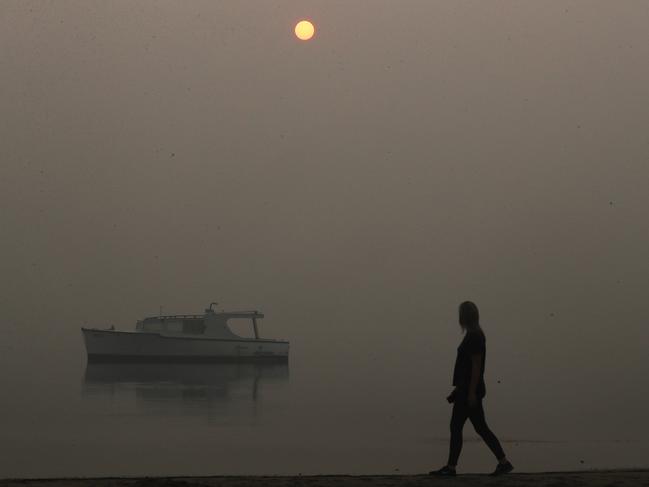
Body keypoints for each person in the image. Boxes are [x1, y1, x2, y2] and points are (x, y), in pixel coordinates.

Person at [430, 301, 513, 476]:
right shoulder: (473, 335)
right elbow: (468, 367)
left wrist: (470, 393)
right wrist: (458, 390)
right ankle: (503, 462)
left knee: (456, 427)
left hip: (470, 391)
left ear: (464, 317)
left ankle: (451, 467)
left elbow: (476, 366)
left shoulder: (475, 336)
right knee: (480, 428)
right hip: (466, 390)